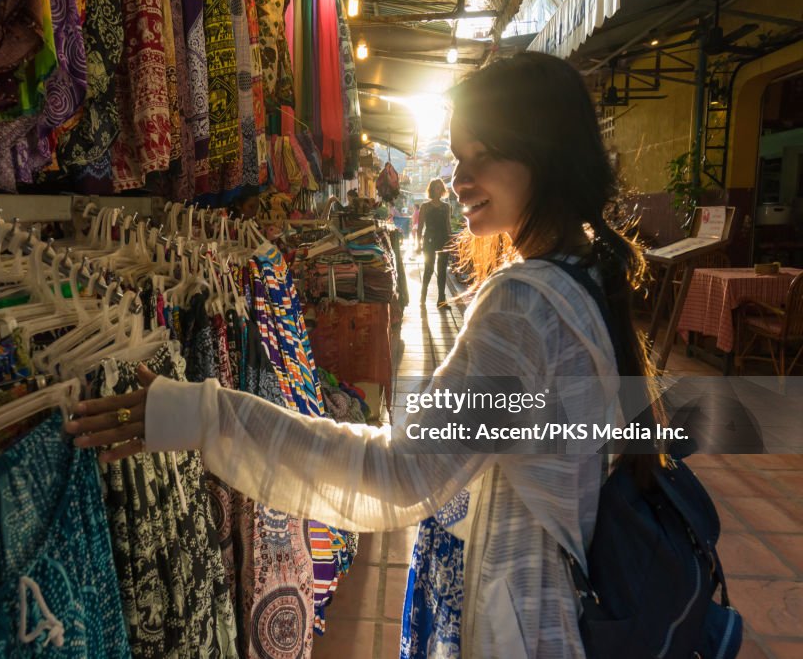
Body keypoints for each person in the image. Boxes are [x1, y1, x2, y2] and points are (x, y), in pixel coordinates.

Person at [65, 52, 661, 659]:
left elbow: (402, 475)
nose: (459, 179)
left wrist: (209, 417)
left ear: (544, 155)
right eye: (457, 157)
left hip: (516, 626)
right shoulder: (580, 275)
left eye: (482, 156)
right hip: (544, 609)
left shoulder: (524, 307)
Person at [416, 178, 452, 307]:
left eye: (440, 187)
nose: (438, 190)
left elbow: (448, 225)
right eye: (436, 187)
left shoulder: (446, 207)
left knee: (442, 271)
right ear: (431, 190)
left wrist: (451, 241)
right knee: (429, 269)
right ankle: (423, 295)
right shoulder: (425, 206)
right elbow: (420, 228)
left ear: (442, 190)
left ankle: (441, 300)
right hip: (429, 239)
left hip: (443, 239)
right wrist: (418, 245)